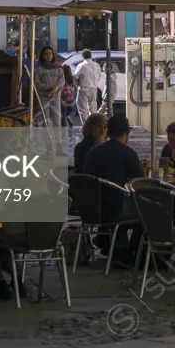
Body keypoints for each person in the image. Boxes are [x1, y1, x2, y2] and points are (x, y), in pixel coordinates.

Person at [84, 114, 143, 264]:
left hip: (91, 208)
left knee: (116, 199)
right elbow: (140, 183)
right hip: (114, 209)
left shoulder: (93, 152)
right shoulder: (128, 154)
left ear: (108, 131)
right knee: (147, 210)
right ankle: (130, 252)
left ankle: (109, 244)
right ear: (126, 134)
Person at [34, 45, 64, 127]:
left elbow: (62, 81)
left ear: (53, 55)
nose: (48, 56)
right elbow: (36, 83)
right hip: (44, 98)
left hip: (56, 97)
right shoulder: (39, 69)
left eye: (50, 53)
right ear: (42, 56)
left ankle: (57, 139)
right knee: (45, 121)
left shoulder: (58, 68)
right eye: (46, 54)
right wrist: (49, 87)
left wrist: (56, 88)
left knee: (57, 120)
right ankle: (46, 139)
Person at [74, 48, 102, 124]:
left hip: (83, 89)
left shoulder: (81, 65)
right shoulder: (96, 65)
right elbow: (99, 77)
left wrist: (77, 85)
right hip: (94, 89)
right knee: (93, 109)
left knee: (82, 109)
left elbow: (75, 76)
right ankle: (93, 125)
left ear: (82, 56)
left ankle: (86, 125)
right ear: (90, 56)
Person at [61, 60, 75, 127]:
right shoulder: (71, 78)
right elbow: (74, 86)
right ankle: (69, 117)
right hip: (70, 96)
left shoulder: (61, 78)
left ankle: (63, 125)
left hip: (63, 97)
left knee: (63, 112)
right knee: (71, 110)